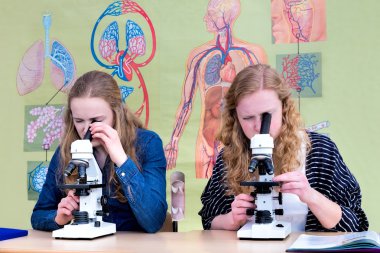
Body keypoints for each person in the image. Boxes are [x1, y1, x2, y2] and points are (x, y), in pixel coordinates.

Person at [199, 64, 368, 232]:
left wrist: (311, 196)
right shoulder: (229, 156)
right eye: (248, 117)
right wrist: (232, 219)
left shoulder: (320, 151)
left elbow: (356, 224)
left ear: (284, 108)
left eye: (267, 116)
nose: (258, 127)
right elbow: (208, 219)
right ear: (235, 117)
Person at [31, 70, 167, 233]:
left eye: (96, 120)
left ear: (117, 113)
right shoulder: (66, 151)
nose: (86, 129)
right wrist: (58, 218)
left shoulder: (148, 144)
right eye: (79, 120)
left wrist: (122, 161)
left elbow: (154, 221)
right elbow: (38, 215)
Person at [165, 0, 267, 179]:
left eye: (211, 14)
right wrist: (174, 141)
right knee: (211, 195)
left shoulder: (251, 54)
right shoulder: (199, 56)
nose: (205, 18)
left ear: (226, 17)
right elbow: (187, 102)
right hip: (206, 141)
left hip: (239, 139)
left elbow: (264, 104)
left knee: (242, 188)